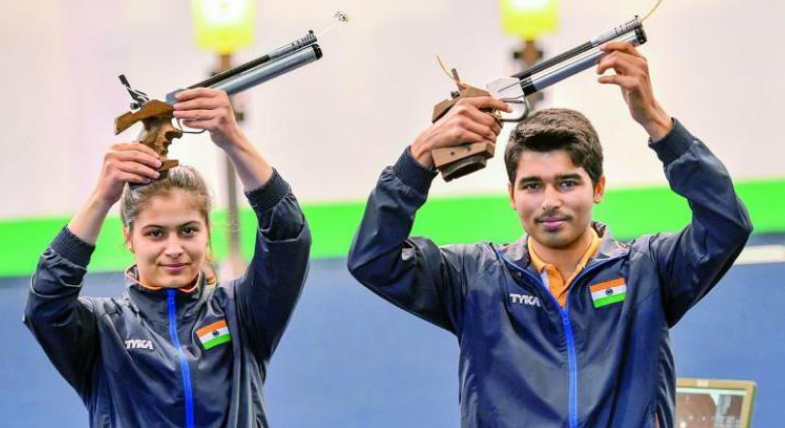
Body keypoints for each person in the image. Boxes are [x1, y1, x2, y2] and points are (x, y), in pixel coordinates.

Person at [347, 42, 752, 427]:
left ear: (598, 187)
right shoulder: (473, 277)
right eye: (533, 186)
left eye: (567, 183)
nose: (550, 202)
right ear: (511, 194)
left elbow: (726, 224)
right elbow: (374, 258)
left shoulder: (648, 270)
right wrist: (420, 155)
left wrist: (657, 122)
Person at [24, 88, 311, 428]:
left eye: (188, 231)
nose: (173, 248)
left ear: (207, 232)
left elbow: (288, 237)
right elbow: (45, 304)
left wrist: (233, 139)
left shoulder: (242, 313)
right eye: (155, 233)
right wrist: (102, 197)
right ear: (130, 238)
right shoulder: (104, 330)